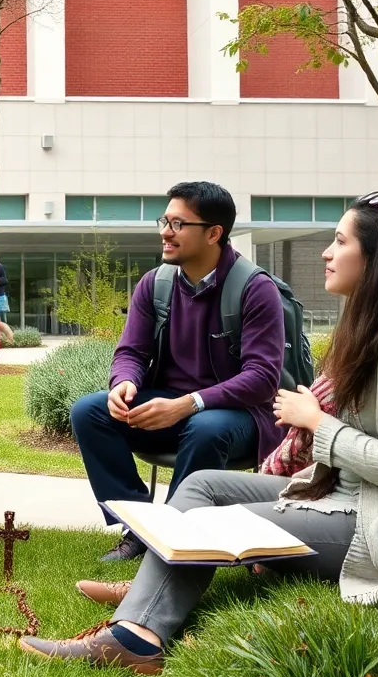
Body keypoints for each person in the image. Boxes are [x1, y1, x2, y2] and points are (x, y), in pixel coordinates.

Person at [19, 193, 378, 672]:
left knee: (211, 521)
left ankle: (135, 639)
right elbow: (131, 351)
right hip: (366, 500)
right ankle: (157, 584)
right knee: (202, 487)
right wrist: (125, 383)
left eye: (340, 241)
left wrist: (315, 421)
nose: (326, 252)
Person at [70, 182, 287, 562]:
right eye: (165, 221)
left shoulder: (255, 288)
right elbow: (131, 351)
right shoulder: (155, 284)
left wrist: (189, 404)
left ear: (213, 233)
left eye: (178, 224)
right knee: (89, 412)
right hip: (173, 406)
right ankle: (138, 526)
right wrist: (124, 382)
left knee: (205, 428)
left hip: (240, 415)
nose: (165, 232)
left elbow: (262, 377)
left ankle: (172, 534)